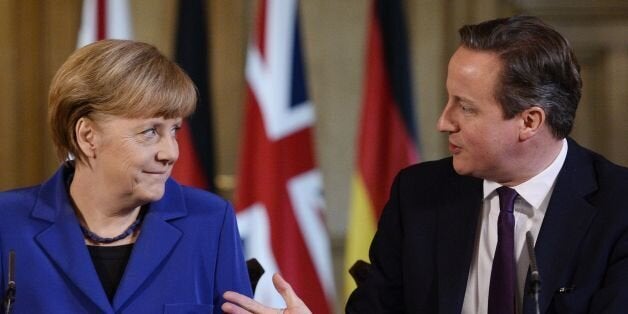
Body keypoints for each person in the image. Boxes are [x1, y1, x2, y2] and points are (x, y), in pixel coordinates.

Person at [222, 15, 628, 314]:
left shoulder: (618, 208)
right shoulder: (419, 194)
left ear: (529, 121)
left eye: (465, 108)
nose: (443, 121)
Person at [0, 39, 251, 313]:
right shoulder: (7, 223)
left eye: (174, 130)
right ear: (87, 136)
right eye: (150, 132)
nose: (171, 152)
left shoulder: (210, 221)